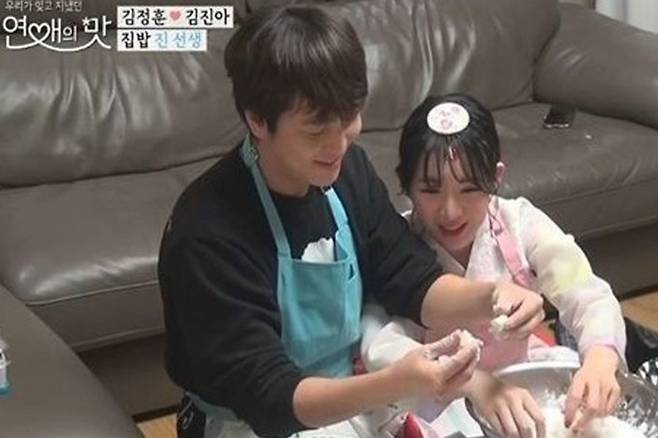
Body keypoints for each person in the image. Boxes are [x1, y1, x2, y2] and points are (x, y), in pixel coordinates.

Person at [157, 7, 544, 438]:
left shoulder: (347, 172)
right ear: (257, 120)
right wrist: (394, 384)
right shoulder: (208, 232)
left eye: (349, 119)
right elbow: (270, 399)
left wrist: (493, 297)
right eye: (315, 131)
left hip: (349, 390)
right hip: (248, 421)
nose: (338, 145)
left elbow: (410, 278)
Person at [362, 94, 627, 438]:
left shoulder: (519, 224)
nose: (451, 211)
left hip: (520, 380)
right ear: (406, 185)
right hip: (438, 399)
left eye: (470, 189)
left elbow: (586, 292)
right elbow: (381, 346)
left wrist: (601, 357)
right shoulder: (396, 246)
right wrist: (474, 382)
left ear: (496, 177)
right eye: (430, 190)